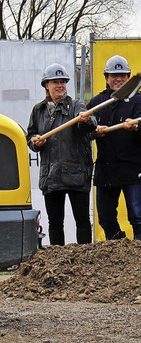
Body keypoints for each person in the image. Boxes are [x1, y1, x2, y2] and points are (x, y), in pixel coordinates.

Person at [27, 63, 96, 245]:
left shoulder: (76, 106)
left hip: (76, 174)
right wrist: (36, 142)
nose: (60, 86)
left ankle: (85, 261)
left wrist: (86, 120)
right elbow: (31, 136)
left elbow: (90, 125)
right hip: (51, 175)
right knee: (55, 223)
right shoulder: (38, 110)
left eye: (63, 82)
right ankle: (59, 262)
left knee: (82, 221)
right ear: (46, 86)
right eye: (55, 82)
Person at [87, 55, 141, 242]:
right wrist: (93, 132)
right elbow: (84, 129)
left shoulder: (139, 101)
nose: (118, 79)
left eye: (123, 75)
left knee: (137, 216)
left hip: (133, 170)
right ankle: (118, 251)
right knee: (106, 218)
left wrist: (136, 126)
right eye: (114, 75)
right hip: (106, 170)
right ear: (106, 77)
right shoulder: (97, 102)